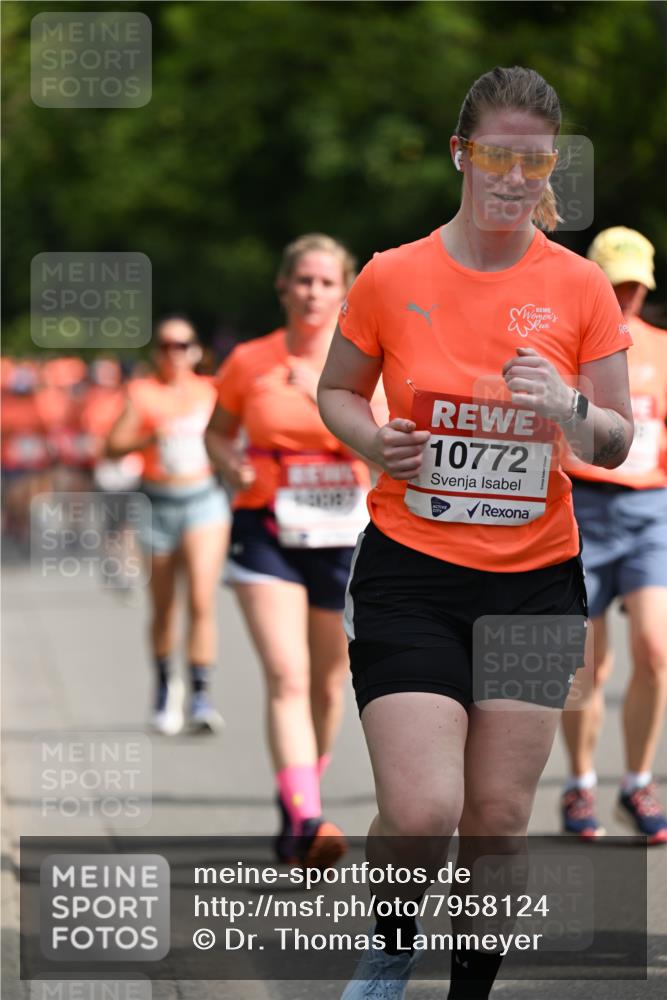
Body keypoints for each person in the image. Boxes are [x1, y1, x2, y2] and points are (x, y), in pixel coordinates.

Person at [317, 66, 634, 1000]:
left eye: (535, 163)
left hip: (535, 583)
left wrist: (569, 405)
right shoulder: (392, 275)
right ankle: (389, 942)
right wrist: (377, 439)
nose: (514, 177)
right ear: (461, 154)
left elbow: (614, 442)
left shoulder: (578, 289)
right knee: (421, 813)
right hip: (411, 573)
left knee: (495, 820)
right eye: (497, 155)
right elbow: (337, 390)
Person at [205, 234, 375, 869]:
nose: (312, 292)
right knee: (288, 675)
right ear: (283, 287)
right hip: (267, 530)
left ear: (345, 290)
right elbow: (216, 435)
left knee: (330, 684)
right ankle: (308, 818)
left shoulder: (365, 365)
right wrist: (230, 467)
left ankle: (297, 789)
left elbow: (386, 454)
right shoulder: (249, 360)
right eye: (302, 280)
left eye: (326, 282)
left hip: (342, 536)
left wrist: (319, 397)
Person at [560, 227, 667, 844]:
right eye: (615, 283)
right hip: (584, 506)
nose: (625, 296)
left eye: (635, 285)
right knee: (585, 668)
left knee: (655, 650)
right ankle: (579, 785)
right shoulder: (570, 347)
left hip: (649, 510)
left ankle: (638, 779)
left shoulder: (659, 347)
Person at [107, 315, 229, 735]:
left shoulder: (212, 392)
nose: (173, 353)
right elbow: (110, 446)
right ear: (155, 352)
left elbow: (235, 437)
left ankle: (200, 695)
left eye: (182, 345)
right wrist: (149, 438)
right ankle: (164, 687)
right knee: (164, 607)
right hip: (156, 502)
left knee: (200, 597)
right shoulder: (142, 393)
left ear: (196, 350)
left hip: (203, 501)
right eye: (165, 346)